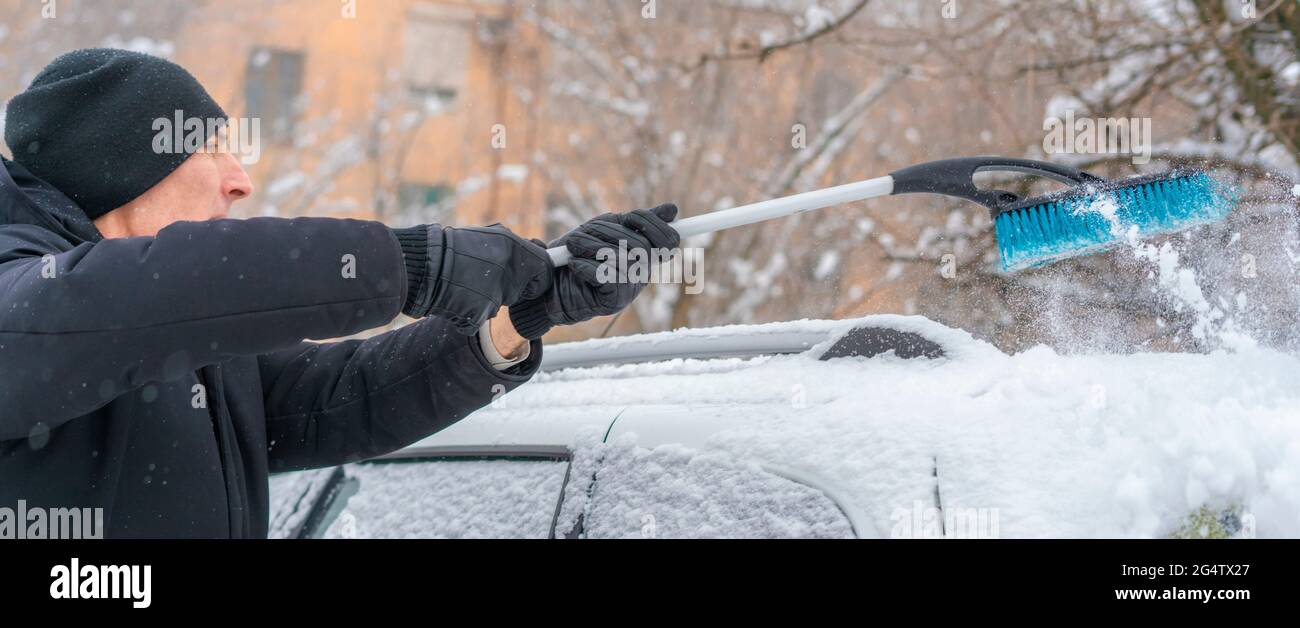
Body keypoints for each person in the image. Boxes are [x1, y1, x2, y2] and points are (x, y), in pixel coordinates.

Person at [0, 48, 679, 538]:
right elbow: (152, 291)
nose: (240, 180)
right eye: (208, 148)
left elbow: (342, 398)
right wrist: (415, 262)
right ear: (122, 167)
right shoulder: (28, 302)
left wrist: (519, 316)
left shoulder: (182, 341)